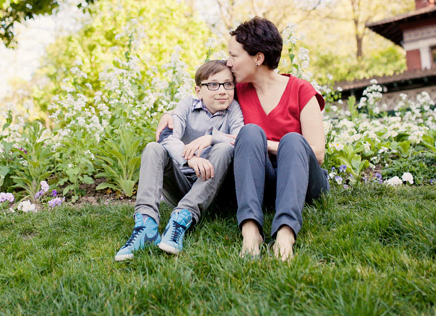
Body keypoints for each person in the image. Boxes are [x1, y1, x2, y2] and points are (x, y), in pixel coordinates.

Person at [156, 17, 328, 261]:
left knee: (292, 140)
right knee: (249, 132)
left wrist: (263, 145)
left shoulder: (301, 90)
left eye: (234, 56)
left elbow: (317, 153)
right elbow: (204, 100)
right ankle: (250, 231)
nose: (228, 62)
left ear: (258, 58)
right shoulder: (237, 92)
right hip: (261, 181)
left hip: (303, 181)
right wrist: (170, 114)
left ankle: (285, 233)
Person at [115, 60, 244, 261]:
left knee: (225, 147)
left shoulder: (233, 110)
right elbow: (167, 136)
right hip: (180, 183)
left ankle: (181, 219)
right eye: (213, 84)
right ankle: (146, 225)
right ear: (198, 90)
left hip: (211, 187)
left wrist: (211, 137)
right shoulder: (187, 105)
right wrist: (190, 158)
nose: (222, 91)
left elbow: (240, 138)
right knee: (153, 147)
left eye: (228, 84)